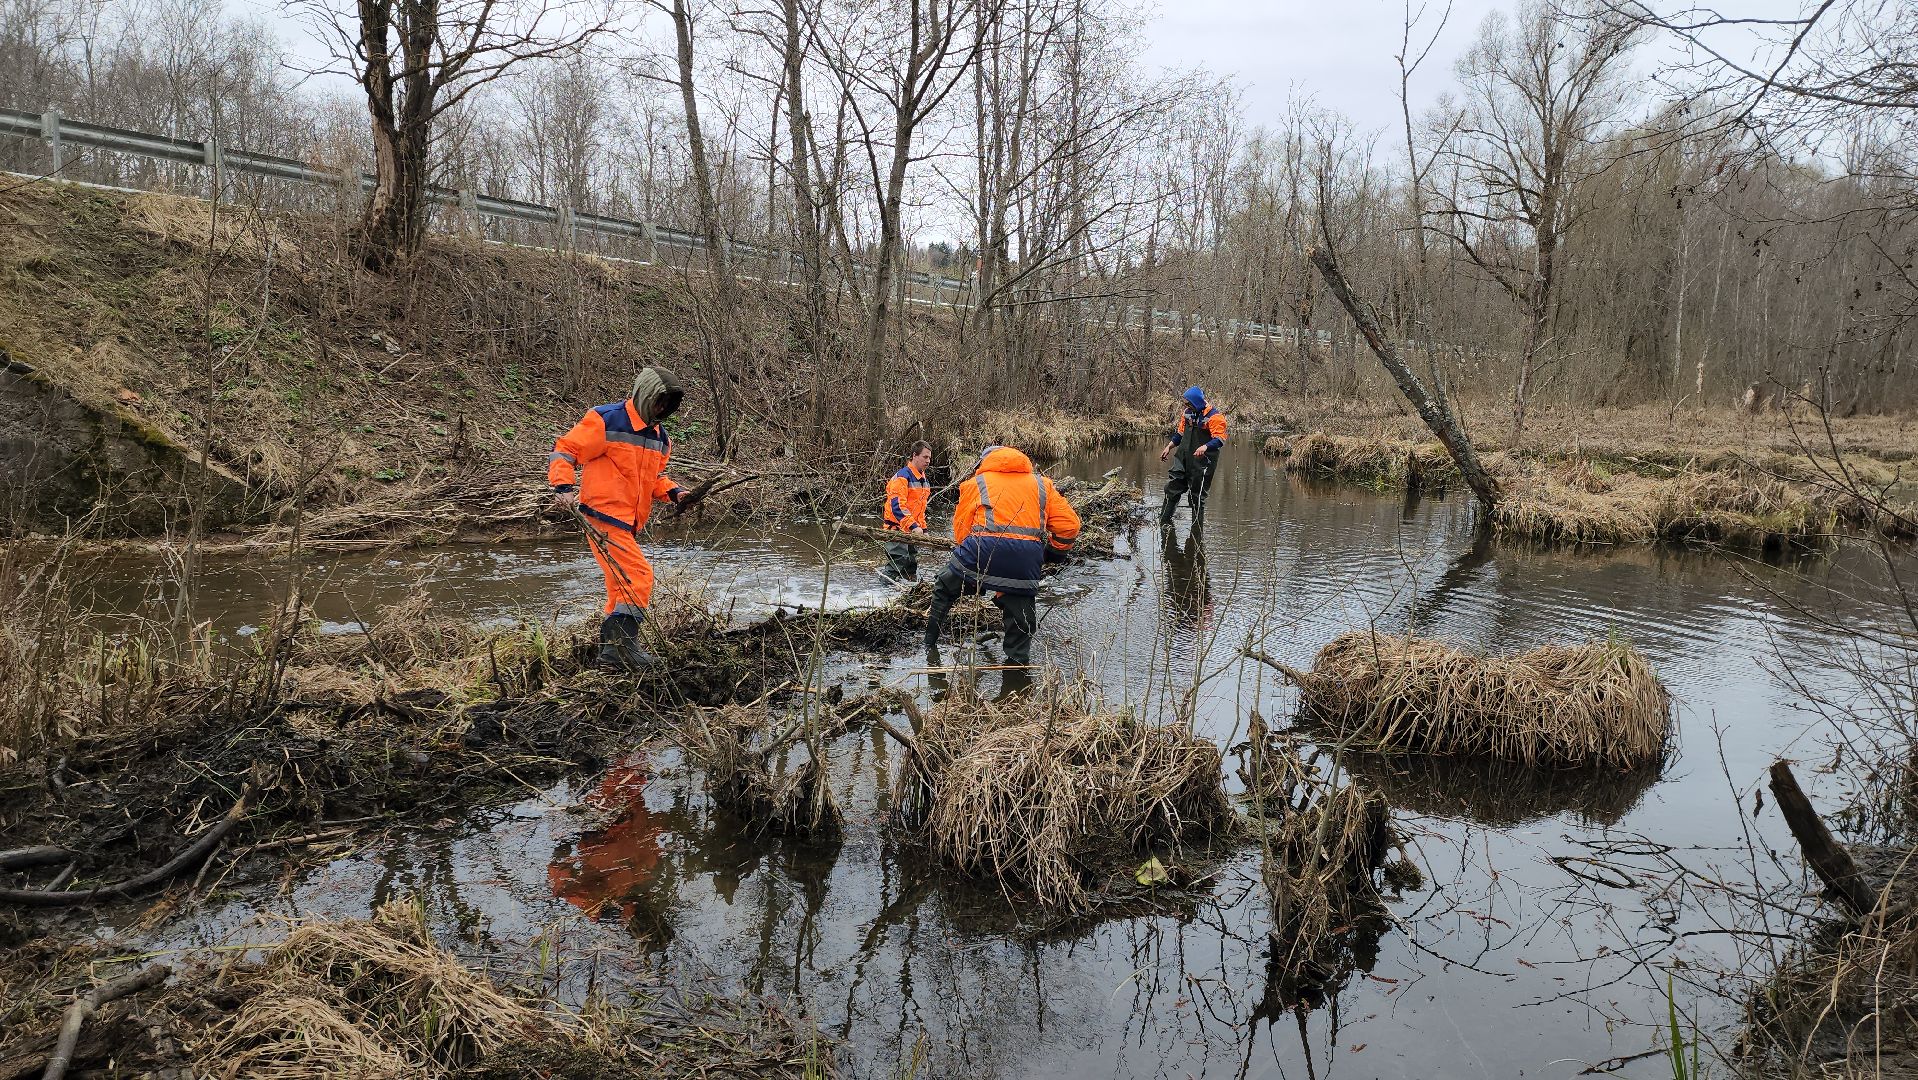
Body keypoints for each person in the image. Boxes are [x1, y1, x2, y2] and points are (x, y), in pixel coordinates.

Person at [549, 366, 689, 670]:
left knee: (620, 587)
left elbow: (653, 479)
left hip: (628, 522)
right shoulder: (606, 420)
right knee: (638, 577)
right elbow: (565, 449)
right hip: (603, 516)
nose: (661, 409)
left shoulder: (660, 438)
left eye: (667, 405)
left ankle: (611, 653)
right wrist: (563, 486)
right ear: (646, 395)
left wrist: (675, 492)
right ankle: (620, 650)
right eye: (659, 402)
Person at [925, 445, 1080, 667]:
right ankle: (1017, 672)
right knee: (1021, 622)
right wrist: (1054, 554)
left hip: (980, 552)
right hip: (1024, 562)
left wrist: (971, 567)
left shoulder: (976, 483)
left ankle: (929, 649)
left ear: (984, 462)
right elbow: (1070, 526)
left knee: (944, 586)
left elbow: (961, 529)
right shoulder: (1042, 484)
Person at [1158, 385, 1228, 525]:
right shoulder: (1187, 413)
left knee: (1197, 497)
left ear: (1197, 402)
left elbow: (1220, 439)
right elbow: (1180, 434)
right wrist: (1169, 446)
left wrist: (1205, 447)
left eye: (1189, 404)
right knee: (1172, 488)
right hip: (1183, 459)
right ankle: (1163, 523)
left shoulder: (1215, 417)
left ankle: (1196, 531)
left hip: (1202, 463)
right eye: (1186, 404)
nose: (1186, 406)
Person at [880, 441, 934, 582]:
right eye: (925, 457)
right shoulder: (902, 477)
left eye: (929, 458)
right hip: (896, 529)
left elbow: (920, 510)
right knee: (897, 564)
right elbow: (897, 506)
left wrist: (923, 529)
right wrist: (914, 526)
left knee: (911, 566)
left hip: (912, 531)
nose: (928, 461)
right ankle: (882, 591)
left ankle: (908, 592)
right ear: (914, 456)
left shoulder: (924, 480)